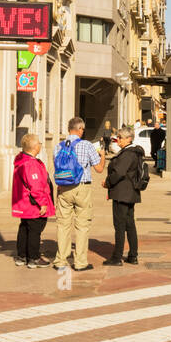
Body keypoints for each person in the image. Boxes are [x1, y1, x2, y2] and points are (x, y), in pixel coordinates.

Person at [52, 116, 104, 273]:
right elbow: (99, 169)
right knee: (82, 225)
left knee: (63, 225)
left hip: (64, 188)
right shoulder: (86, 145)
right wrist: (102, 155)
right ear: (80, 129)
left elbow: (57, 168)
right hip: (82, 188)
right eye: (83, 129)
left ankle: (60, 260)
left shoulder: (58, 146)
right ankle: (80, 262)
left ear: (69, 129)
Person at [11, 132, 55, 267]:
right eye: (40, 143)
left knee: (24, 229)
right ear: (35, 146)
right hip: (32, 204)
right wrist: (43, 203)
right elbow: (35, 186)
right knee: (35, 230)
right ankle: (34, 258)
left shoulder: (22, 160)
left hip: (24, 203)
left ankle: (21, 256)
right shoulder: (31, 164)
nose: (41, 145)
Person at [103, 126, 144, 265]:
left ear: (129, 139)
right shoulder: (132, 152)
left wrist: (107, 182)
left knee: (120, 225)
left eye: (120, 137)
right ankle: (133, 255)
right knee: (129, 224)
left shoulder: (128, 153)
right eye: (117, 137)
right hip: (129, 193)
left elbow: (119, 173)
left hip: (122, 193)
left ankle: (117, 257)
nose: (117, 139)